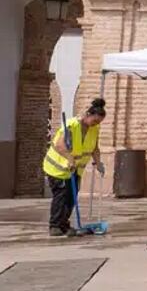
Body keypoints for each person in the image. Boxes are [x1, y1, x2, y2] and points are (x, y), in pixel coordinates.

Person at [43, 98, 107, 237]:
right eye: (95, 121)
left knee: (71, 198)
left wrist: (98, 163)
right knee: (61, 197)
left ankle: (64, 225)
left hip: (75, 169)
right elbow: (60, 145)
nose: (96, 124)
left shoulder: (94, 129)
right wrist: (70, 158)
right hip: (58, 167)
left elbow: (94, 148)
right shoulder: (72, 125)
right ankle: (54, 226)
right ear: (88, 115)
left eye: (99, 122)